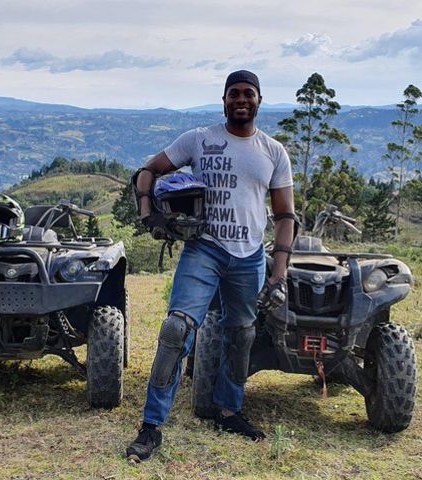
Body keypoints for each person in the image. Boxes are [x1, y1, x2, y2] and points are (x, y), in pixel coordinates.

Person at [126, 70, 297, 462]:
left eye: (248, 93)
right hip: (204, 249)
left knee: (241, 336)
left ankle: (227, 410)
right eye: (233, 93)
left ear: (258, 100)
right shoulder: (199, 140)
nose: (241, 99)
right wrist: (148, 212)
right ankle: (151, 427)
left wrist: (278, 274)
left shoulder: (273, 152)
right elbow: (148, 171)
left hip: (249, 256)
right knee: (176, 330)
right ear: (223, 101)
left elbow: (286, 216)